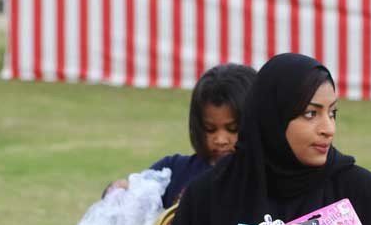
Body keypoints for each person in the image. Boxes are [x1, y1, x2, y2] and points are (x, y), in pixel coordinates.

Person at [151, 53, 371, 225]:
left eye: (332, 113)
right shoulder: (208, 194)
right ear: (273, 117)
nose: (328, 128)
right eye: (311, 114)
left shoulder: (358, 191)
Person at [105, 63, 257, 208]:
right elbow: (128, 199)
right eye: (210, 129)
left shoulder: (264, 180)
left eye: (233, 129)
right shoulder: (172, 172)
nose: (220, 140)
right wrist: (118, 192)